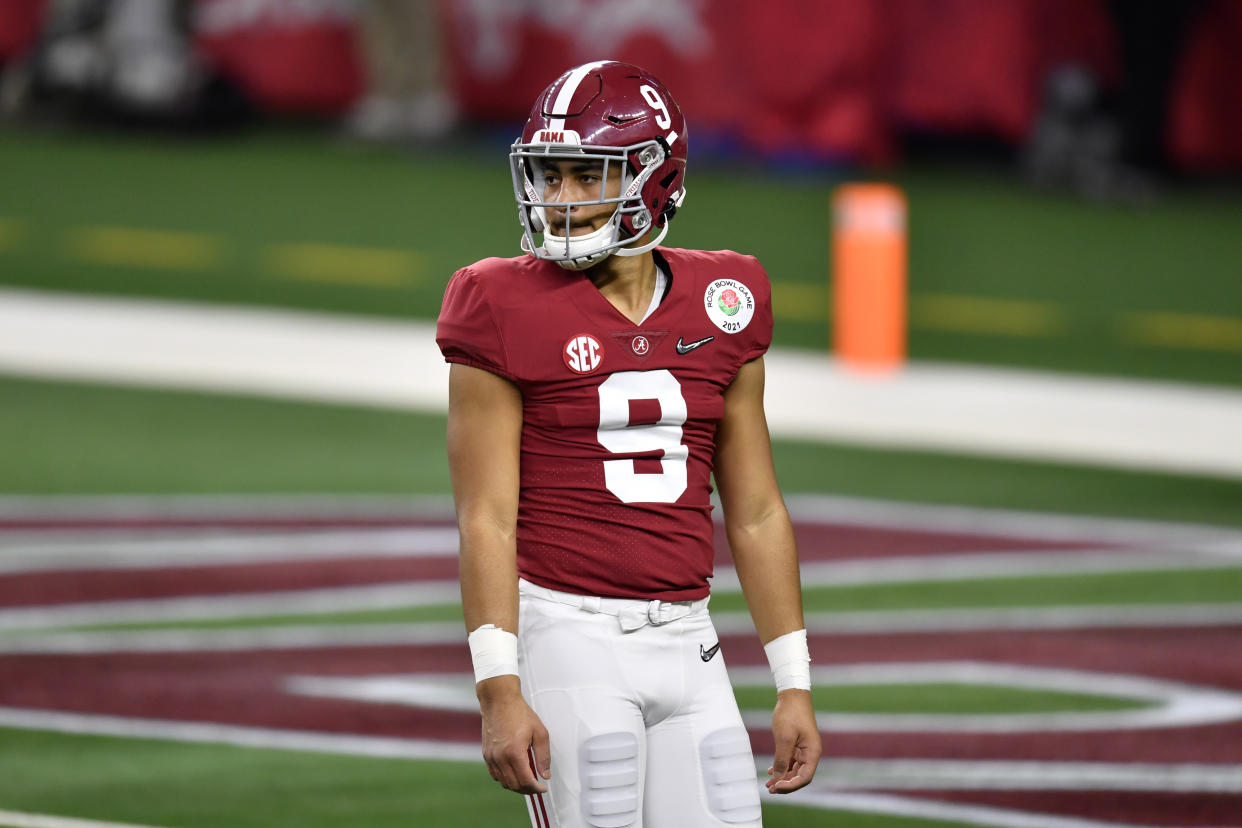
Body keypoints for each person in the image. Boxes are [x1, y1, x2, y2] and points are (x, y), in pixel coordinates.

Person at [436, 59, 821, 827]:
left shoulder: (725, 300)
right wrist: (498, 688)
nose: (562, 200)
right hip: (568, 631)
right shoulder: (496, 300)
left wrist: (793, 682)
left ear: (656, 179)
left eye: (587, 175)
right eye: (549, 176)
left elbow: (754, 511)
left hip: (689, 634)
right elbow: (486, 518)